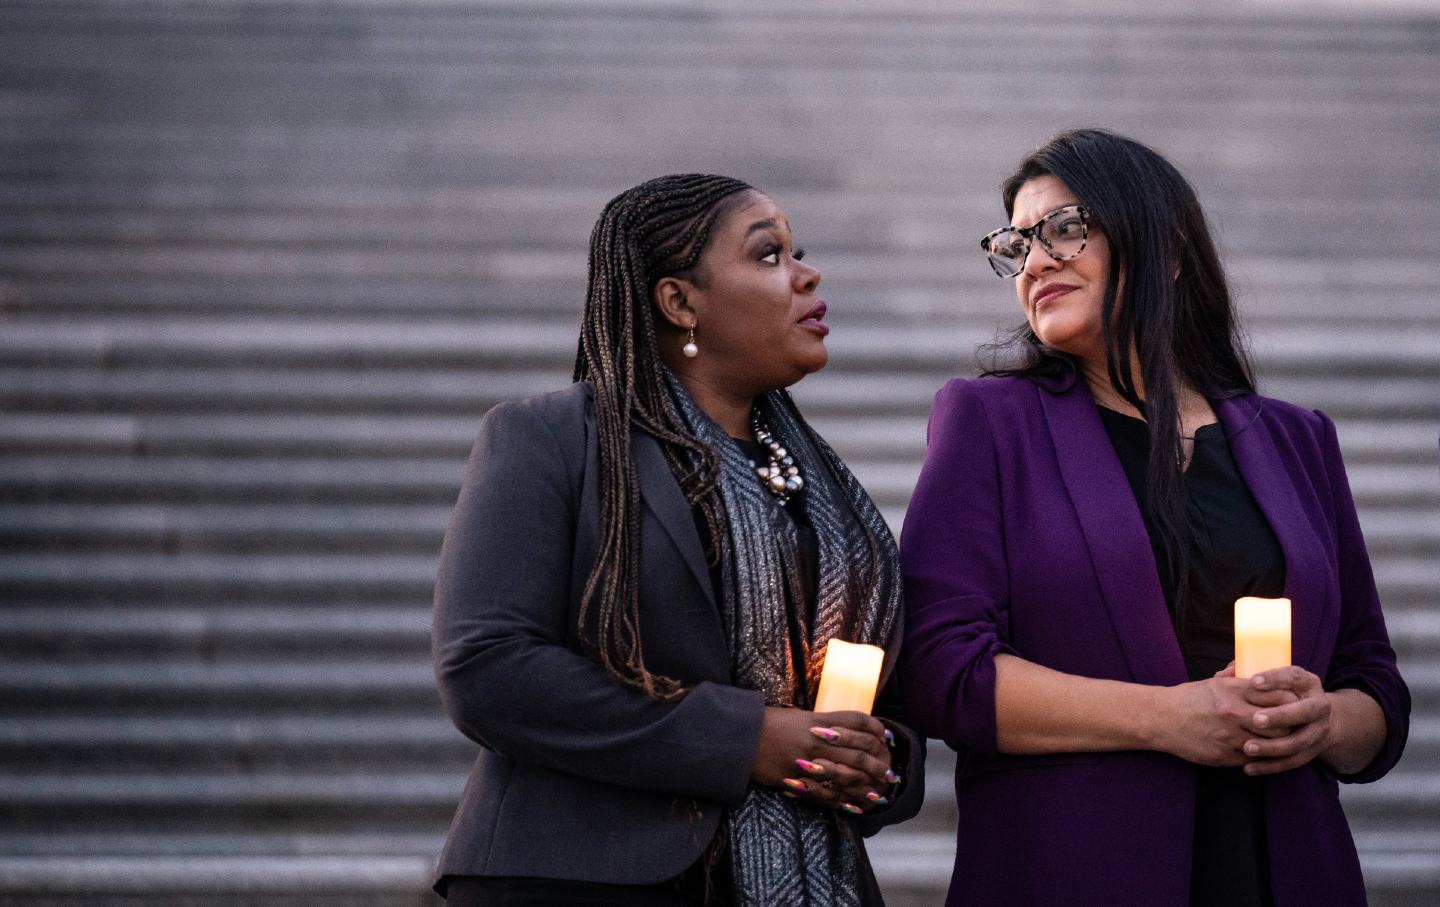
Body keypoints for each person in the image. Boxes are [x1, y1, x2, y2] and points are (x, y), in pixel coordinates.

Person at [899, 129, 1409, 906]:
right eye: (1015, 245)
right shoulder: (988, 422)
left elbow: (1373, 682)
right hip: (1073, 870)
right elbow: (940, 669)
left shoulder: (1298, 438)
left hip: (1284, 866)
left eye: (1065, 228)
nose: (1034, 262)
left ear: (1167, 250)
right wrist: (1170, 718)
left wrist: (1323, 721)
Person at [432, 173, 923, 906]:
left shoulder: (821, 486)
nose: (807, 273)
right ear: (679, 301)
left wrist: (872, 758)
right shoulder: (550, 439)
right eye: (767, 255)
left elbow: (876, 696)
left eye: (798, 252)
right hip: (582, 878)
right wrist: (746, 740)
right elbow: (488, 667)